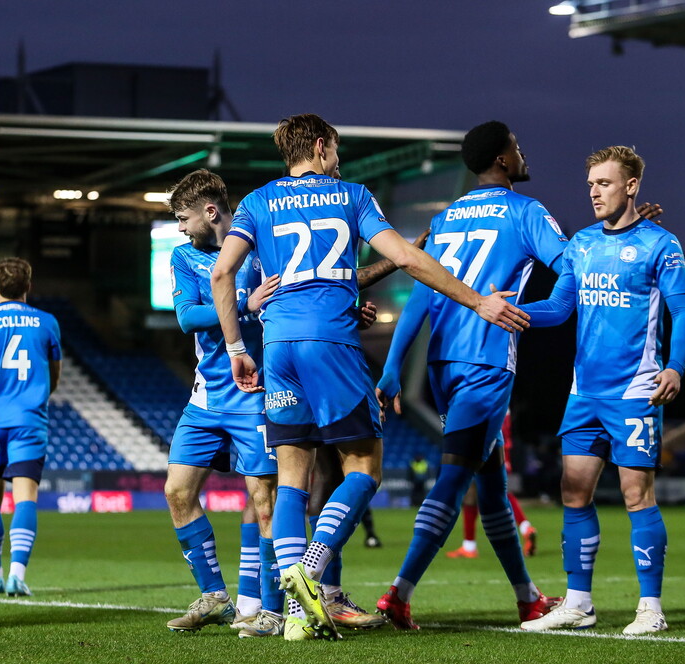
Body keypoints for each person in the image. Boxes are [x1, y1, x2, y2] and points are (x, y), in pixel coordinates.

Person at [211, 113, 527, 640]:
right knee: (364, 467)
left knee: (293, 477)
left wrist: (237, 348)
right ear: (319, 146)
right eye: (335, 147)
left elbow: (223, 273)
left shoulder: (257, 201)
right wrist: (478, 302)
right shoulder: (351, 195)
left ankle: (294, 611)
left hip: (278, 345)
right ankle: (309, 571)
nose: (340, 156)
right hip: (330, 346)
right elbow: (405, 255)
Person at [374, 120, 569, 629]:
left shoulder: (446, 218)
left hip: (441, 364)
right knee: (455, 478)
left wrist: (394, 366)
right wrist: (539, 312)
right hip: (485, 362)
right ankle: (398, 594)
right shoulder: (526, 211)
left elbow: (420, 292)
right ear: (502, 160)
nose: (523, 154)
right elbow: (572, 268)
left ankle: (527, 598)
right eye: (517, 147)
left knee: (491, 485)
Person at [519, 146, 685, 636]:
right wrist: (513, 312)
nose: (593, 191)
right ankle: (578, 603)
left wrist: (675, 366)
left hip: (636, 390)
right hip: (584, 394)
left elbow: (684, 313)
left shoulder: (663, 245)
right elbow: (559, 307)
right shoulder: (582, 243)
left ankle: (651, 608)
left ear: (631, 186)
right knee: (573, 493)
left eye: (605, 183)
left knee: (637, 494)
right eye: (590, 183)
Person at [162, 169, 283, 635]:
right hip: (206, 398)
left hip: (257, 393)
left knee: (263, 501)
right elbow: (188, 317)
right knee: (177, 491)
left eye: (183, 218)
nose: (179, 228)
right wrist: (243, 303)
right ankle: (215, 596)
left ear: (210, 212)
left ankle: (269, 609)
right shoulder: (183, 256)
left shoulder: (260, 245)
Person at [0, 258, 62, 597]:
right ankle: (17, 574)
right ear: (28, 287)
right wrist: (35, 399)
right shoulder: (47, 323)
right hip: (29, 419)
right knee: (25, 498)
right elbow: (54, 377)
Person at [446, 411, 537, 559]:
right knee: (495, 492)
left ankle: (470, 546)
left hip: (483, 446)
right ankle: (525, 528)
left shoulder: (484, 395)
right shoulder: (502, 394)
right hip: (503, 448)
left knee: (477, 492)